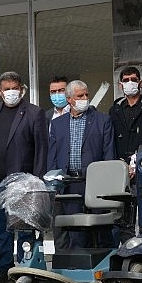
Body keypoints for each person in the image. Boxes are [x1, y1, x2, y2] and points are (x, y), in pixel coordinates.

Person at [0, 71, 48, 283]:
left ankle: (24, 268)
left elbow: (41, 149)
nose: (11, 92)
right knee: (1, 228)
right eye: (6, 89)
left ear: (22, 89)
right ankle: (4, 268)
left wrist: (36, 180)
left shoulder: (34, 113)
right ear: (0, 91)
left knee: (23, 227)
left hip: (22, 182)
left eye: (14, 88)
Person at [47, 80, 116, 249]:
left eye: (86, 94)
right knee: (76, 233)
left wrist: (107, 184)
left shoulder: (102, 120)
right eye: (80, 96)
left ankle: (104, 262)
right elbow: (53, 156)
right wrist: (54, 183)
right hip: (70, 184)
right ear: (69, 99)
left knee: (102, 231)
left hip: (96, 184)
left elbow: (109, 153)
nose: (85, 98)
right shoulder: (57, 124)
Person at [110, 66, 142, 163]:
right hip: (120, 163)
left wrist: (141, 158)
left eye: (133, 80)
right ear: (120, 85)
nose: (130, 83)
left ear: (140, 83)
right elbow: (111, 139)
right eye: (126, 80)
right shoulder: (115, 109)